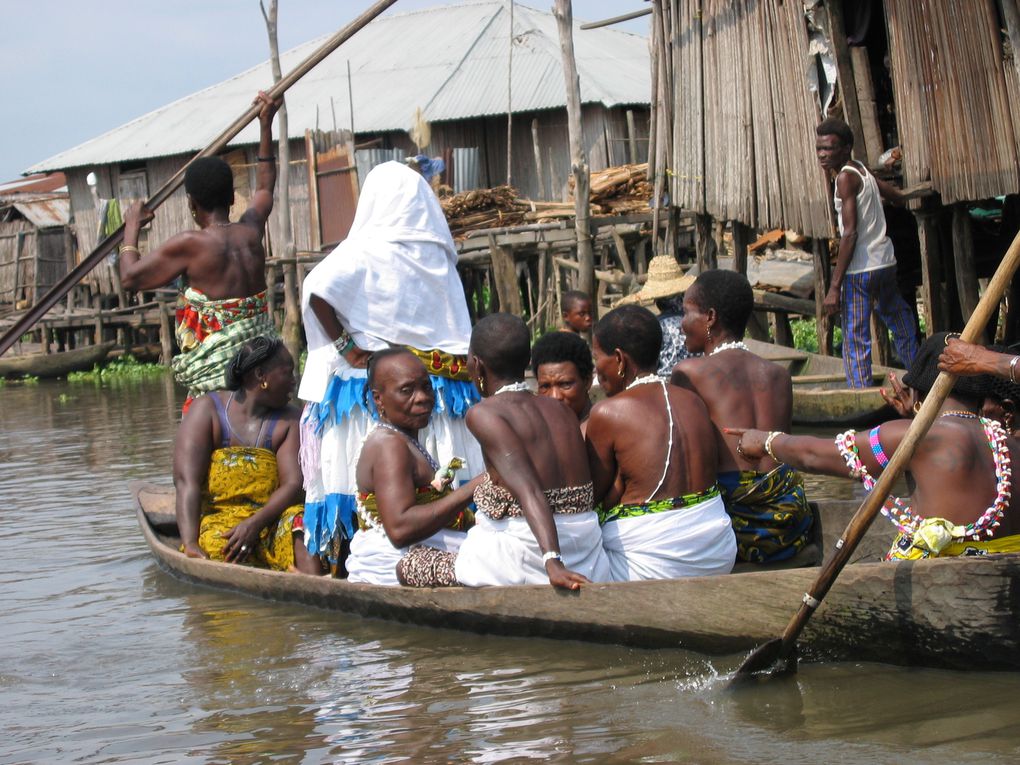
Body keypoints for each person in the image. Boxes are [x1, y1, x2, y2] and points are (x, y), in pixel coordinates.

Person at [298, 160, 483, 566]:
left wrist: (347, 348)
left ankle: (359, 561)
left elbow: (315, 290)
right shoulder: (437, 257)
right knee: (427, 481)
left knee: (383, 486)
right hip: (434, 390)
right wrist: (350, 348)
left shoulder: (367, 249)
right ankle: (433, 548)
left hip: (395, 391)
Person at [728, 332, 1018, 560]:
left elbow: (816, 455)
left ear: (917, 392)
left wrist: (767, 441)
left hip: (946, 591)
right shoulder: (1010, 444)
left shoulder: (916, 438)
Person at [399, 314, 611, 589]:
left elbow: (529, 490)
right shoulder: (561, 410)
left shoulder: (484, 413)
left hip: (532, 558)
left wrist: (552, 560)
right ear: (527, 362)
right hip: (588, 553)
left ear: (477, 364)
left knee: (408, 565)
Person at [119, 92, 282, 412]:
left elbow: (129, 278)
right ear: (233, 198)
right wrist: (266, 124)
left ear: (192, 205)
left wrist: (131, 227)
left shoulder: (191, 245)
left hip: (221, 378)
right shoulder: (251, 230)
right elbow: (265, 186)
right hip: (264, 363)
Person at [671, 269, 814, 564]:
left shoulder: (690, 373)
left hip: (735, 522)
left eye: (686, 313)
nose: (682, 324)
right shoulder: (778, 375)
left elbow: (687, 460)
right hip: (787, 518)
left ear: (710, 317)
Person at [586, 305, 737, 581]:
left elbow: (589, 499)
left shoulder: (608, 413)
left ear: (619, 359)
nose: (596, 371)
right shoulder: (693, 400)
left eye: (597, 358)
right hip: (719, 551)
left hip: (653, 564)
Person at [173, 336, 322, 574]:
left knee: (302, 524)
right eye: (287, 373)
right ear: (261, 375)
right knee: (215, 548)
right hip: (222, 524)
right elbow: (186, 482)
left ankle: (317, 591)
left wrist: (255, 523)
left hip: (270, 520)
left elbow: (293, 485)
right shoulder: (207, 410)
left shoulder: (291, 420)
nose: (295, 381)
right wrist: (190, 544)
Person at [347, 349, 480, 586]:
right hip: (395, 568)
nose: (422, 398)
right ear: (379, 399)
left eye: (426, 387)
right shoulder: (390, 445)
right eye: (407, 390)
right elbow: (400, 530)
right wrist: (476, 486)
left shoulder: (401, 439)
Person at [816, 117, 922, 388]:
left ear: (846, 148)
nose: (823, 155)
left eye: (829, 148)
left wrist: (834, 286)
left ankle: (859, 392)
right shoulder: (860, 169)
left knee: (854, 333)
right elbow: (893, 195)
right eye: (820, 149)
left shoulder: (844, 178)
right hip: (885, 262)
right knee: (899, 317)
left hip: (861, 270)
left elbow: (849, 233)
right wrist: (912, 193)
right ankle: (919, 376)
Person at [615, 253, 697, 375]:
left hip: (665, 384)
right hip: (695, 378)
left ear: (658, 301)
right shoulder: (695, 322)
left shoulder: (654, 327)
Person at [531, 331, 594, 435]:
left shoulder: (604, 431)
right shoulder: (537, 434)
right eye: (545, 386)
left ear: (587, 381)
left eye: (565, 384)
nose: (555, 396)